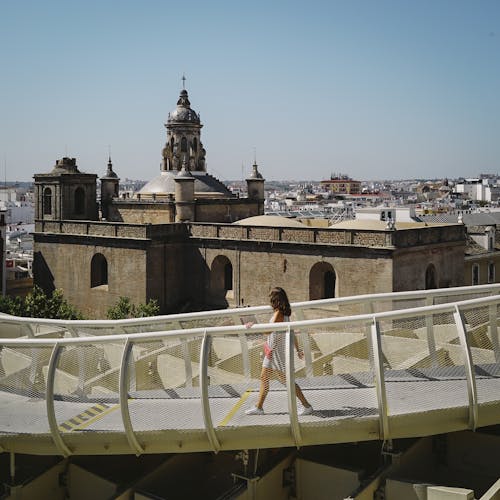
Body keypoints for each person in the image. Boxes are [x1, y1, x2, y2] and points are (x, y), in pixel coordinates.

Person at [245, 287, 313, 416]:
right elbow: (291, 333)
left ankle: (307, 406)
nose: (270, 302)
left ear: (276, 300)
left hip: (275, 353)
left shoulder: (278, 314)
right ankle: (259, 407)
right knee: (264, 377)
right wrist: (298, 349)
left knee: (287, 382)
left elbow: (267, 331)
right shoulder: (284, 314)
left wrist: (252, 325)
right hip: (272, 351)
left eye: (271, 299)